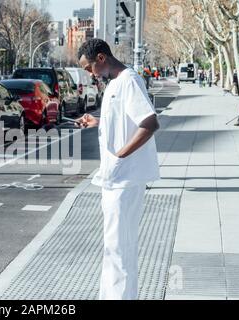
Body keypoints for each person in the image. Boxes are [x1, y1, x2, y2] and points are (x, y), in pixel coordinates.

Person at [76, 39, 161, 300]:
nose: (89, 74)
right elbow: (125, 121)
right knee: (113, 248)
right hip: (114, 179)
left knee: (119, 250)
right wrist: (98, 122)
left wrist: (119, 157)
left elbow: (149, 123)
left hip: (124, 179)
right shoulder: (115, 83)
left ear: (101, 58)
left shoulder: (129, 80)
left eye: (89, 68)